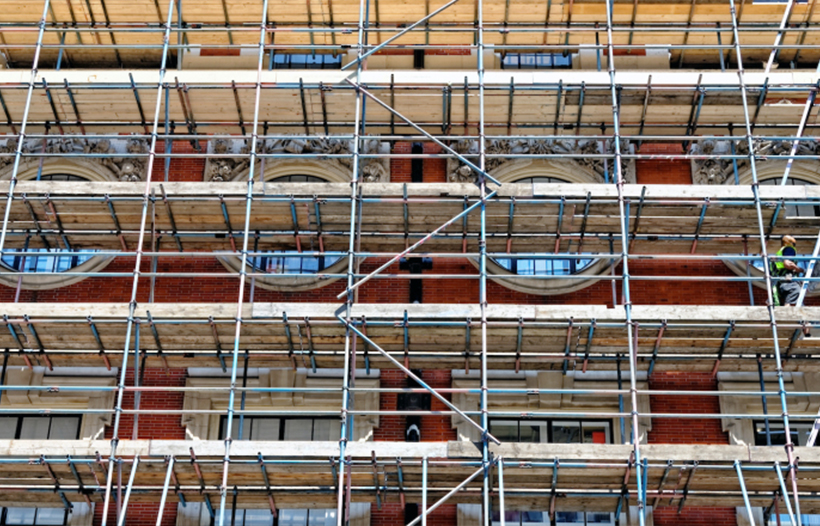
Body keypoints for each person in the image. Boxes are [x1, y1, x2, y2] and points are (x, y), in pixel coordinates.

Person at [771, 235, 806, 306]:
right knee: (795, 290)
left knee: (789, 296)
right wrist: (799, 269)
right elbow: (787, 264)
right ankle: (786, 309)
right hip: (788, 278)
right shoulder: (789, 249)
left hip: (780, 280)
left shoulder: (780, 252)